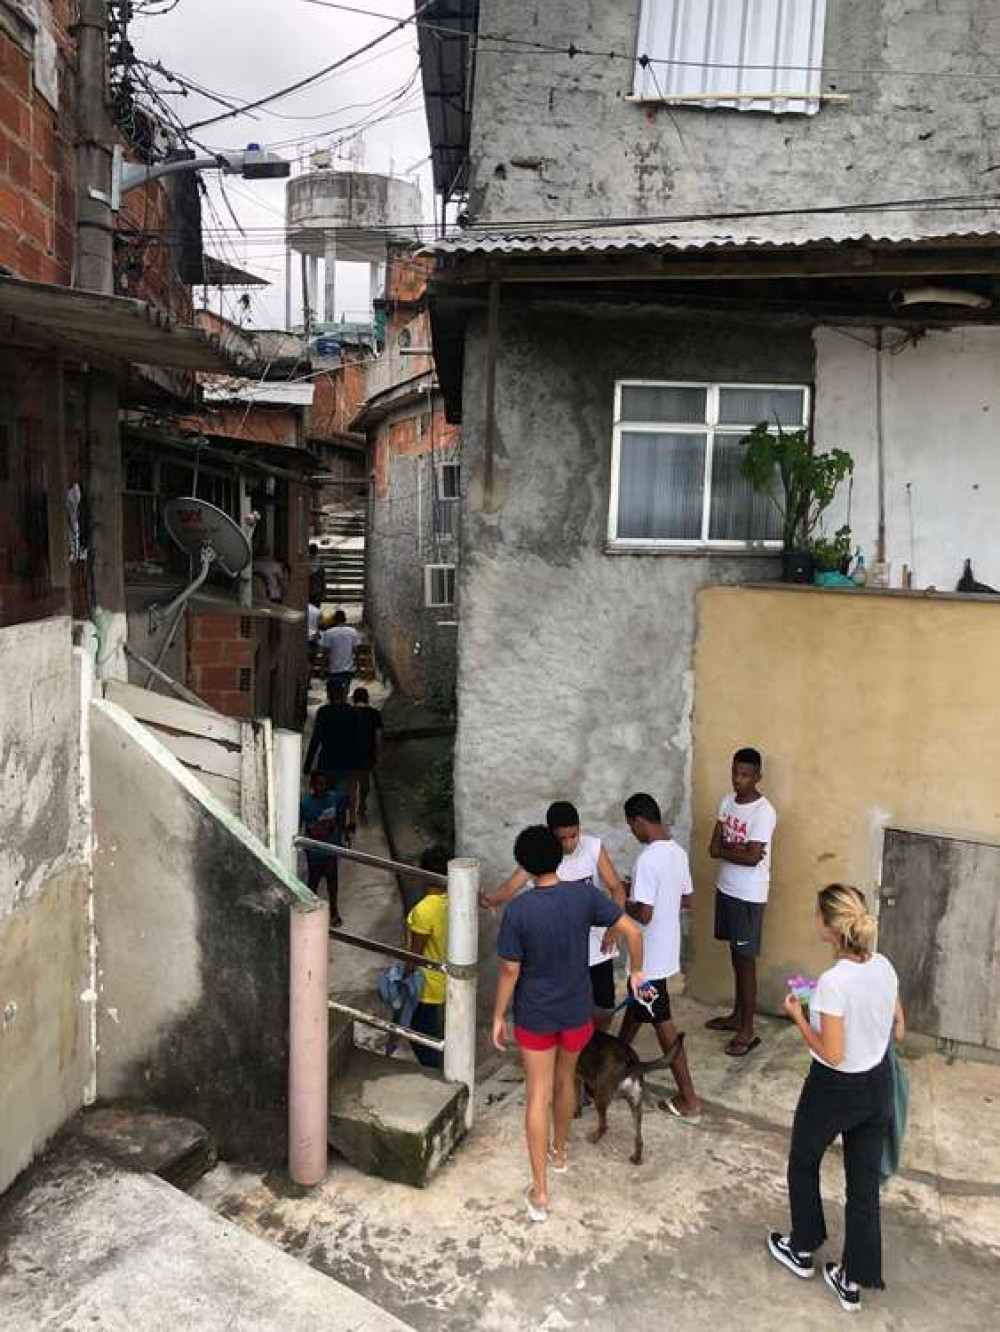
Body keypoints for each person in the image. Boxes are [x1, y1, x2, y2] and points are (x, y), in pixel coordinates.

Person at [493, 825, 644, 1224]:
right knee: (566, 1081)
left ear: (523, 864)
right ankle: (559, 1153)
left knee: (537, 1091)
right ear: (558, 858)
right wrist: (637, 973)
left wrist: (497, 1015)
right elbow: (631, 929)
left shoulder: (520, 910)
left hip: (536, 1015)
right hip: (576, 1012)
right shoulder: (583, 895)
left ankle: (540, 1192)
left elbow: (510, 969)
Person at [768, 884, 904, 1314]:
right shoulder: (883, 966)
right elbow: (897, 1028)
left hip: (833, 1088)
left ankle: (803, 1246)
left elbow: (832, 1052)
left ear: (828, 926)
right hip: (877, 1085)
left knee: (804, 1161)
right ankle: (851, 1280)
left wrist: (797, 1017)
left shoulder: (832, 982)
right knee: (863, 1187)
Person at [482, 801, 628, 1030]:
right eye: (563, 838)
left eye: (574, 835)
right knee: (566, 1010)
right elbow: (509, 888)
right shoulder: (542, 855)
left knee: (604, 1007)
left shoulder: (593, 847)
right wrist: (488, 899)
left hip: (598, 946)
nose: (570, 843)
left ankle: (592, 1051)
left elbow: (617, 889)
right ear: (551, 834)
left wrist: (616, 928)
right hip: (560, 950)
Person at [618, 793, 701, 1122]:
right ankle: (609, 1069)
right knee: (636, 1012)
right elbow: (686, 900)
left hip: (647, 960)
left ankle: (689, 1100)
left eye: (630, 826)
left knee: (663, 1024)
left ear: (639, 821)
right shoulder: (677, 853)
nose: (632, 832)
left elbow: (645, 914)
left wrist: (625, 899)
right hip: (665, 953)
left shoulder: (647, 859)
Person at [707, 747, 777, 1057]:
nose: (738, 780)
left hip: (749, 894)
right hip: (727, 888)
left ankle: (748, 1029)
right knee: (735, 956)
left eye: (746, 775)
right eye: (735, 773)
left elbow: (752, 859)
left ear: (758, 777)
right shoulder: (726, 802)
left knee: (746, 961)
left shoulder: (764, 812)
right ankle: (737, 1016)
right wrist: (736, 851)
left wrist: (727, 850)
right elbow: (713, 847)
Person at [404, 845, 452, 1070]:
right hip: (446, 978)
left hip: (426, 985)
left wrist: (404, 976)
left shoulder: (423, 910)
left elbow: (415, 954)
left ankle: (436, 1075)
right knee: (433, 1029)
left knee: (420, 1035)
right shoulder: (452, 902)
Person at [303, 679, 363, 832]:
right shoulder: (354, 713)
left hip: (327, 762)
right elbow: (358, 740)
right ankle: (340, 830)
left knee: (326, 800)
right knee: (341, 800)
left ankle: (325, 831)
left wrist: (308, 764)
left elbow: (316, 738)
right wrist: (358, 764)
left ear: (329, 694)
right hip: (347, 764)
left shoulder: (324, 712)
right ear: (344, 694)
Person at [299, 771, 345, 925]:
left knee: (332, 881)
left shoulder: (334, 798)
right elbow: (301, 824)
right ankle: (309, 912)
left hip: (331, 847)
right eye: (318, 784)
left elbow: (341, 815)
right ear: (312, 786)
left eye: (324, 784)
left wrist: (342, 833)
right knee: (314, 880)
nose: (322, 788)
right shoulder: (305, 803)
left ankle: (334, 912)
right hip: (314, 850)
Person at [351, 686, 383, 824]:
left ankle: (352, 812)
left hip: (351, 752)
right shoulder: (374, 713)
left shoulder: (349, 713)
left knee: (352, 784)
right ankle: (362, 804)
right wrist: (378, 753)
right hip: (368, 753)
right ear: (367, 698)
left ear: (354, 699)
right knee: (365, 783)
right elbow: (378, 736)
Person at [320, 608, 360, 693]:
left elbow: (325, 652)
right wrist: (357, 666)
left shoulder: (328, 633)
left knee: (334, 692)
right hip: (348, 669)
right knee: (345, 691)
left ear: (334, 620)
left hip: (334, 669)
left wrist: (323, 668)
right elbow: (356, 650)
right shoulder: (353, 632)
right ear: (345, 619)